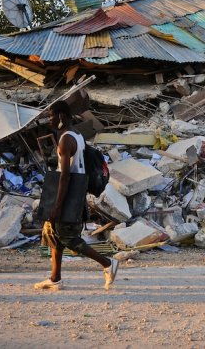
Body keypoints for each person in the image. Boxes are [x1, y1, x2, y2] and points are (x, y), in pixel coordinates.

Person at [34, 101, 118, 291]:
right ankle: (55, 278)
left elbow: (65, 175)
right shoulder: (76, 134)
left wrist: (57, 205)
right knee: (53, 234)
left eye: (51, 116)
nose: (49, 120)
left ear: (62, 116)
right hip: (74, 191)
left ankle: (107, 263)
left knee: (69, 238)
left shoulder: (65, 140)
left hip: (68, 194)